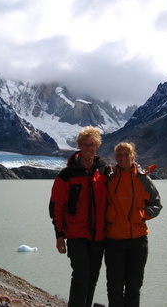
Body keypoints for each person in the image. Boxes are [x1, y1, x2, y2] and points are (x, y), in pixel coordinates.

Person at [49, 126, 109, 307]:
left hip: (98, 236)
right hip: (76, 235)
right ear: (79, 146)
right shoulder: (67, 175)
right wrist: (59, 236)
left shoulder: (104, 171)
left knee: (92, 277)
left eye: (92, 145)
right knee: (81, 274)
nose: (88, 148)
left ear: (96, 146)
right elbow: (56, 207)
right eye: (84, 144)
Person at [105, 142, 162, 307]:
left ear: (133, 156)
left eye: (126, 154)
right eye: (119, 155)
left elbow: (156, 204)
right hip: (114, 240)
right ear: (115, 158)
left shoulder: (143, 179)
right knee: (114, 286)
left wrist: (143, 215)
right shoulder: (109, 179)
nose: (123, 158)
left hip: (137, 240)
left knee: (134, 286)